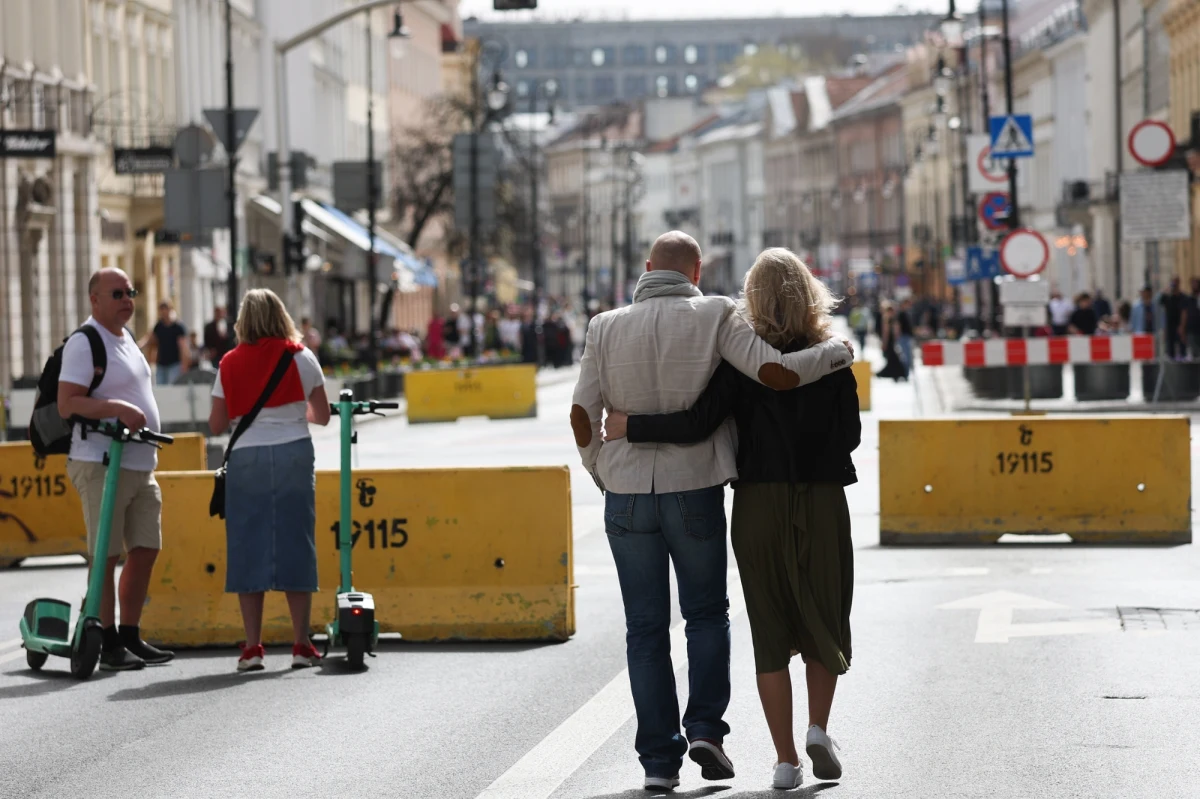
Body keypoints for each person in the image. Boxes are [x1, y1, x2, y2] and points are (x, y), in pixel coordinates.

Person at [570, 233, 853, 792]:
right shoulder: (716, 313)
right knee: (704, 615)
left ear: (647, 267)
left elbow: (583, 414)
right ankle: (705, 730)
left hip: (627, 494)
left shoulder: (604, 325)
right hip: (693, 488)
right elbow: (774, 372)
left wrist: (603, 471)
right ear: (697, 270)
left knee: (644, 629)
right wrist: (835, 352)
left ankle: (657, 762)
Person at [208, 289, 331, 672]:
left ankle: (252, 647)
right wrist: (292, 412)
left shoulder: (228, 362)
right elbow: (323, 415)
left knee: (247, 542)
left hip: (247, 457)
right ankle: (300, 644)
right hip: (294, 452)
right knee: (297, 539)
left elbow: (215, 424)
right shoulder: (301, 357)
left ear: (243, 321)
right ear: (281, 316)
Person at [58, 268, 175, 671]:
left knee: (146, 548)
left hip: (140, 464)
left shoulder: (126, 340)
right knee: (105, 556)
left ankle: (129, 633)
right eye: (117, 293)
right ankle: (106, 640)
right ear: (95, 299)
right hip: (100, 463)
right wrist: (117, 408)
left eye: (131, 292)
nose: (127, 299)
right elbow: (67, 403)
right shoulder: (85, 342)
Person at [141, 300, 190, 385]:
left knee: (172, 388)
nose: (163, 313)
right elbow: (150, 339)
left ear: (170, 310)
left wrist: (184, 366)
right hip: (161, 364)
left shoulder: (178, 327)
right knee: (161, 389)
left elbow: (183, 348)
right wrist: (138, 345)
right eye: (161, 310)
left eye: (165, 309)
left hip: (174, 364)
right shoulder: (159, 326)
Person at [876, 302, 907, 381]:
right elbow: (895, 331)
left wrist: (884, 343)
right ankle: (897, 374)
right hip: (891, 341)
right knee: (893, 359)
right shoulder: (891, 319)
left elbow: (886, 332)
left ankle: (895, 374)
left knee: (893, 359)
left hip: (890, 341)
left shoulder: (887, 319)